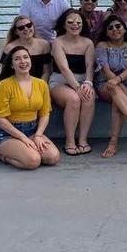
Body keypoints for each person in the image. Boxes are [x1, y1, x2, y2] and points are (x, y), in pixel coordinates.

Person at [0, 45, 60, 170]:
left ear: (30, 60)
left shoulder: (41, 84)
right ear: (11, 65)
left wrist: (38, 135)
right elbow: (0, 119)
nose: (23, 61)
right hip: (8, 134)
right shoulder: (5, 85)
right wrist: (23, 138)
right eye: (17, 59)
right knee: (33, 161)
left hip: (33, 130)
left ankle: (27, 151)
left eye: (26, 57)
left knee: (52, 157)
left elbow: (44, 113)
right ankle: (2, 156)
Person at [94, 15, 127, 158]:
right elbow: (106, 70)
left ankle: (113, 142)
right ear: (106, 31)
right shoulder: (102, 45)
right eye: (110, 28)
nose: (115, 29)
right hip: (105, 83)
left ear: (124, 28)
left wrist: (119, 81)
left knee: (117, 98)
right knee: (113, 87)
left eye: (118, 26)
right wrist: (117, 83)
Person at [49, 9, 96, 156]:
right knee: (74, 99)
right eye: (70, 22)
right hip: (60, 81)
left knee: (89, 96)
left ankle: (82, 139)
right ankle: (70, 141)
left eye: (78, 22)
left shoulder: (88, 43)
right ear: (64, 24)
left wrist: (88, 83)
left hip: (83, 80)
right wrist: (76, 87)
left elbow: (90, 66)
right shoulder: (57, 42)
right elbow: (63, 68)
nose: (74, 25)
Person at [0, 15, 52, 82]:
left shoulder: (44, 45)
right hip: (15, 82)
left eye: (29, 25)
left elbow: (46, 71)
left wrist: (40, 87)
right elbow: (5, 72)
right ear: (16, 32)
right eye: (21, 28)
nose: (26, 29)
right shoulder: (10, 47)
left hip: (38, 82)